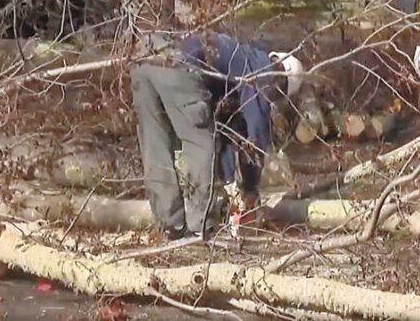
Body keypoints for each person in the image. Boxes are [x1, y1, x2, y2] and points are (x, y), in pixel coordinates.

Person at [130, 31, 304, 240]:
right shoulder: (263, 73)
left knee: (156, 146)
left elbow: (228, 132)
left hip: (145, 53)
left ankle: (171, 225)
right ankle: (200, 227)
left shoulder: (240, 60)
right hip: (178, 62)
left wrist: (231, 182)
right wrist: (249, 188)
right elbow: (255, 139)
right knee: (201, 144)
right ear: (282, 81)